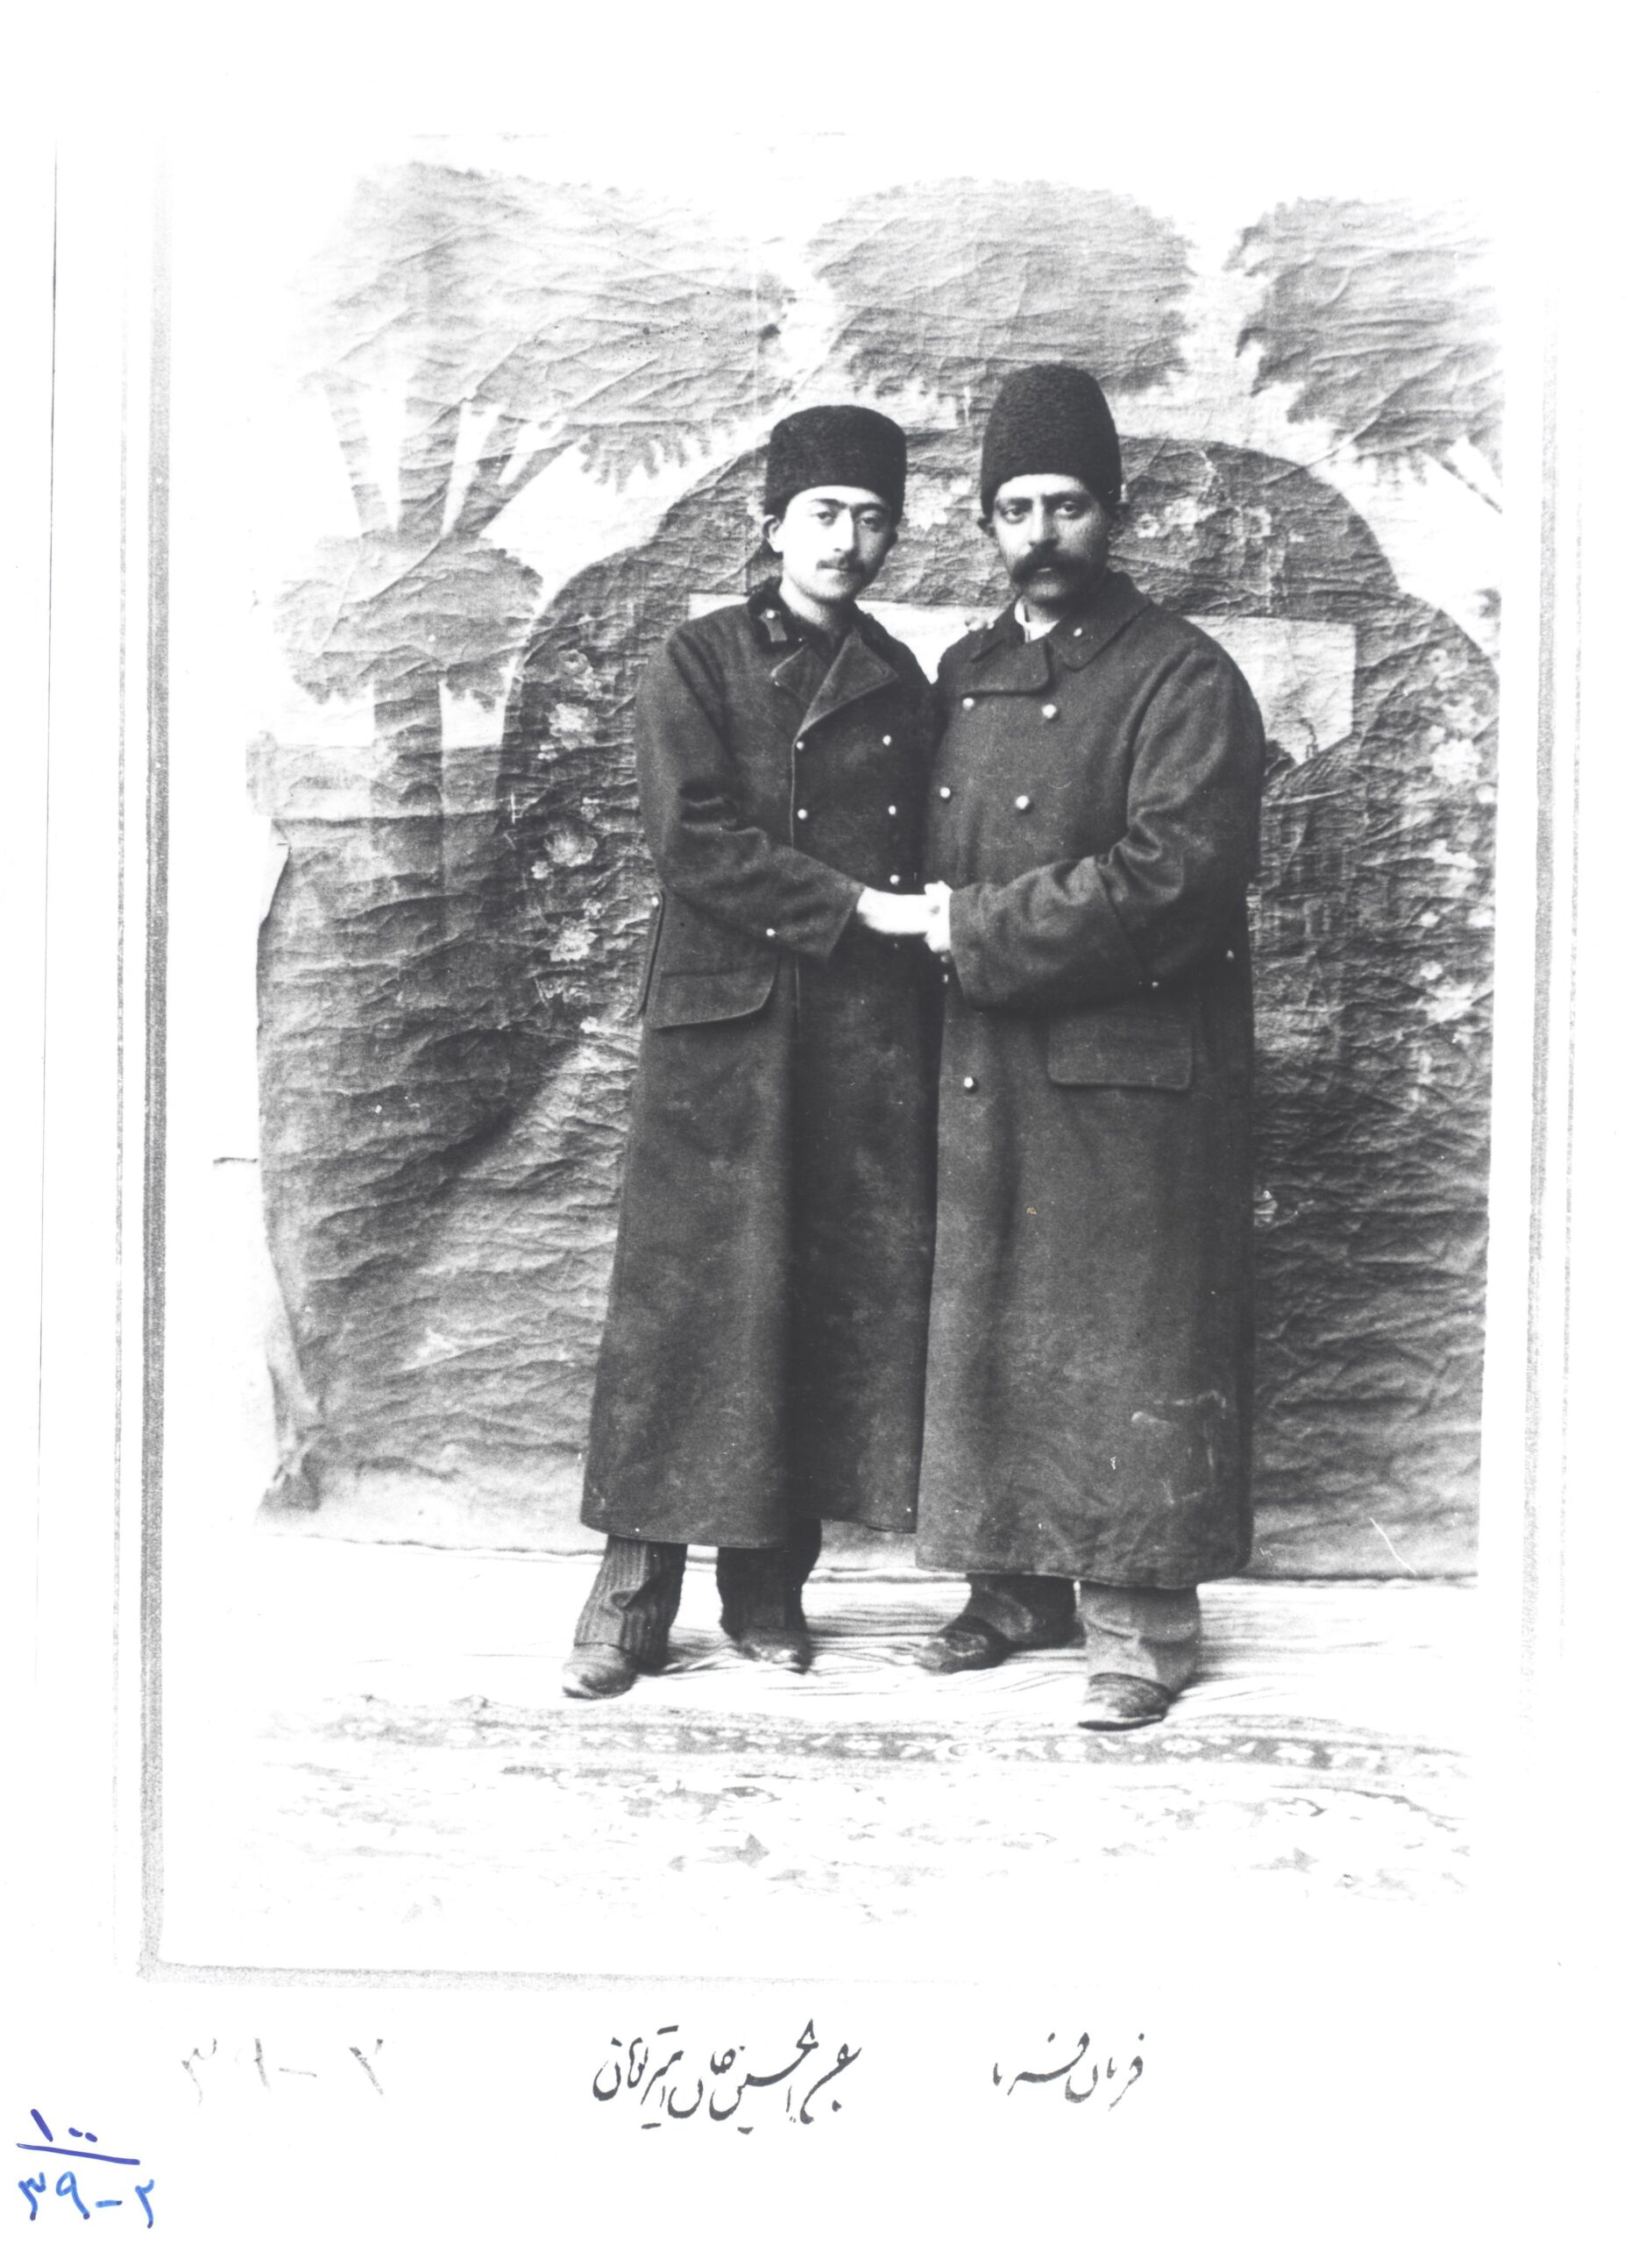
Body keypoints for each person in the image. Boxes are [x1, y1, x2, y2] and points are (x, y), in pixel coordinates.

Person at [564, 406, 938, 1699]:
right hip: (724, 1025)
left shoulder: (898, 675)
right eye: (823, 514)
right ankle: (628, 1597)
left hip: (857, 1033)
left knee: (818, 1293)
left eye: (872, 518)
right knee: (689, 1304)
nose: (847, 540)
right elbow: (693, 842)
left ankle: (767, 1585)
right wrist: (856, 908)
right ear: (770, 525)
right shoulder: (701, 658)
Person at [913, 364, 1266, 1729]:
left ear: (1115, 511)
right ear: (985, 521)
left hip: (1131, 1074)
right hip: (986, 1055)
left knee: (1127, 1340)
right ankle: (1010, 1589)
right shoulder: (965, 671)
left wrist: (969, 925)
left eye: (1066, 504)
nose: (1041, 532)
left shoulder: (1181, 674)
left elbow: (1176, 877)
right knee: (994, 1318)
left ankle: (1138, 1629)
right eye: (1014, 508)